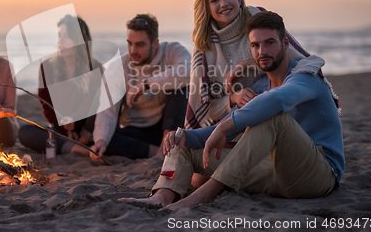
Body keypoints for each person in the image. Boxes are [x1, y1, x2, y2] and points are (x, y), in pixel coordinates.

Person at [120, 11, 344, 208]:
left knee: (273, 118)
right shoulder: (259, 86)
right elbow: (223, 126)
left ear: (285, 44)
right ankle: (162, 196)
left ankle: (199, 197)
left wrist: (225, 126)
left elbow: (278, 100)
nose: (262, 51)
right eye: (255, 45)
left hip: (319, 174)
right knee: (184, 143)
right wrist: (185, 135)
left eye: (269, 43)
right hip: (275, 170)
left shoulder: (306, 76)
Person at [184, 0, 309, 187]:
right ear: (207, 7)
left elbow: (291, 59)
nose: (223, 4)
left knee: (211, 178)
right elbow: (208, 108)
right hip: (234, 121)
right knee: (197, 179)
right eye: (214, 0)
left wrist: (247, 64)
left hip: (272, 112)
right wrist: (233, 97)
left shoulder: (256, 18)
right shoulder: (204, 48)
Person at [90, 14, 191, 160]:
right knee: (108, 140)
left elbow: (188, 72)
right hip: (139, 130)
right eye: (129, 43)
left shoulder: (173, 51)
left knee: (179, 84)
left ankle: (165, 147)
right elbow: (108, 110)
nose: (133, 50)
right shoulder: (119, 66)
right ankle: (159, 152)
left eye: (140, 45)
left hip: (169, 126)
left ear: (155, 43)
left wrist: (146, 84)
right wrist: (101, 141)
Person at [19, 15, 102, 155]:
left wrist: (82, 135)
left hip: (88, 130)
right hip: (60, 129)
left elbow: (94, 105)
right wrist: (66, 129)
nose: (60, 41)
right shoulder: (47, 67)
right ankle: (73, 148)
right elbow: (46, 104)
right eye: (59, 35)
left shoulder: (95, 67)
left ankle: (77, 145)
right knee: (24, 132)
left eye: (67, 36)